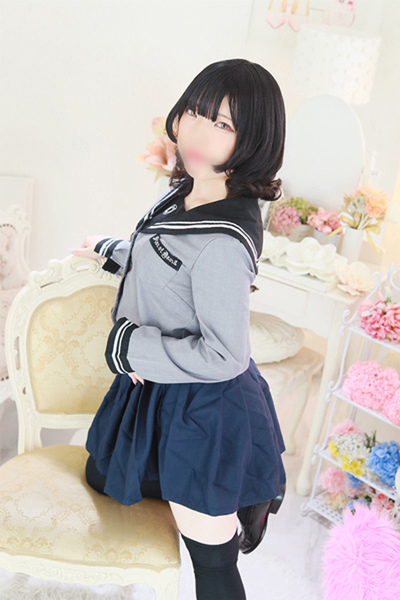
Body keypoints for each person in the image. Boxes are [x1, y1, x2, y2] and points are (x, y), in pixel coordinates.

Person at [71, 57, 287, 600]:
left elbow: (225, 355)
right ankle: (230, 499)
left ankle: (233, 509)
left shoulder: (224, 242)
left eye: (223, 124)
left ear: (253, 139)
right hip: (161, 394)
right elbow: (169, 263)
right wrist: (113, 251)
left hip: (205, 412)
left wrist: (128, 347)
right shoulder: (194, 189)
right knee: (103, 475)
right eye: (195, 112)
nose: (197, 133)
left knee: (210, 563)